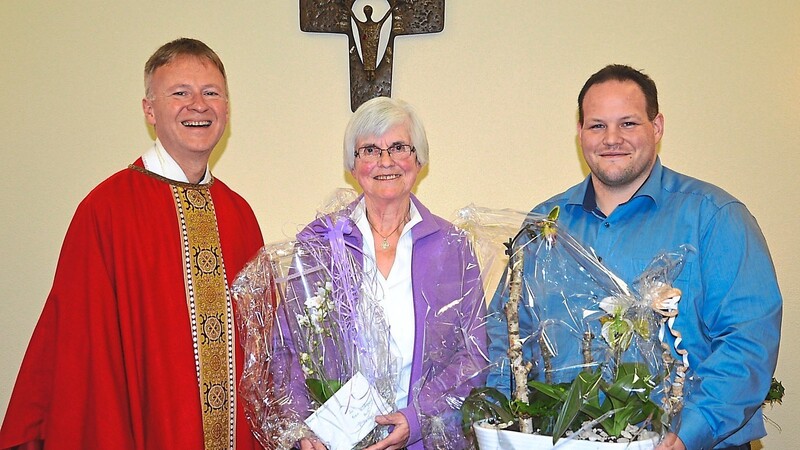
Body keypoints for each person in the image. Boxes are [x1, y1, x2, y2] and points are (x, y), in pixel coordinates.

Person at [486, 64, 782, 450]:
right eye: (596, 126)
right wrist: (500, 420)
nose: (611, 139)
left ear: (656, 127)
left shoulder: (714, 218)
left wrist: (690, 432)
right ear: (579, 133)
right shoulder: (545, 225)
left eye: (627, 123)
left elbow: (748, 341)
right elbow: (506, 332)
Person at [0, 38, 265, 450]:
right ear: (149, 110)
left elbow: (263, 352)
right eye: (180, 93)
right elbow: (79, 354)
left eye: (211, 93)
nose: (199, 105)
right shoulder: (106, 211)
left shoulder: (240, 216)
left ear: (227, 110)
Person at [290, 96, 487, 450]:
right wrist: (303, 429)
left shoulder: (452, 246)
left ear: (419, 159)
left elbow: (474, 354)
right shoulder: (319, 243)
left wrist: (418, 419)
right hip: (335, 442)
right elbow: (287, 347)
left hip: (424, 442)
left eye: (399, 147)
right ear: (353, 164)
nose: (386, 161)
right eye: (369, 150)